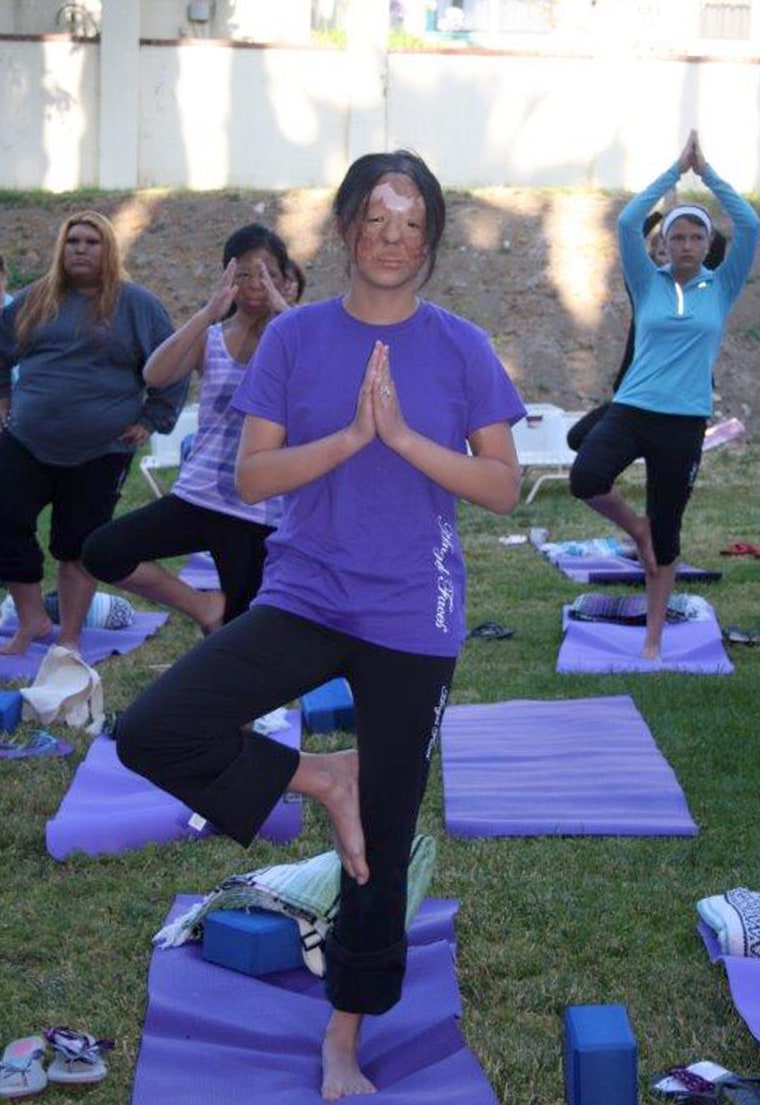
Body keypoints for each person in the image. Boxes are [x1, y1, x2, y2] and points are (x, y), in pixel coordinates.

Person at [115, 149, 525, 1100]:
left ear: (430, 237)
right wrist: (345, 439)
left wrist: (406, 441)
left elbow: (502, 486)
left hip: (412, 615)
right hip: (304, 594)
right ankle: (318, 776)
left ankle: (344, 1035)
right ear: (344, 229)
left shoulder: (460, 344)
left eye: (412, 221)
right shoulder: (295, 339)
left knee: (380, 839)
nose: (393, 238)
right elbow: (253, 477)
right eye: (375, 220)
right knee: (152, 728)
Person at [569, 130, 760, 660]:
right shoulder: (646, 281)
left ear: (707, 246)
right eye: (678, 238)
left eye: (696, 238)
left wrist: (709, 174)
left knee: (670, 537)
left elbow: (751, 224)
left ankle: (653, 638)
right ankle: (637, 527)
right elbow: (629, 221)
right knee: (585, 477)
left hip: (684, 421)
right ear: (666, 245)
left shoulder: (719, 288)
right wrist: (675, 172)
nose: (686, 246)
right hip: (633, 409)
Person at [82, 224, 299, 633]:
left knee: (242, 631)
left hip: (259, 508)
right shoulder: (212, 337)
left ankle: (240, 675)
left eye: (267, 272)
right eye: (244, 274)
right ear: (227, 279)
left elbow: (325, 381)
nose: (255, 283)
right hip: (198, 496)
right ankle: (202, 607)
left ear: (286, 280)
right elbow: (155, 374)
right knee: (102, 551)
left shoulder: (298, 334)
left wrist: (285, 312)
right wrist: (207, 313)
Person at [0, 211, 187, 655]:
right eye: (73, 241)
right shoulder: (33, 301)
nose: (80, 249)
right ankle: (32, 620)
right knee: (4, 521)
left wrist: (153, 417)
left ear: (109, 250)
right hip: (27, 439)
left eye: (91, 242)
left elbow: (176, 363)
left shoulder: (137, 305)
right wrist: (3, 400)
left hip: (102, 449)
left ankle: (69, 636)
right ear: (60, 249)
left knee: (78, 543)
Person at [566, 213, 727, 452]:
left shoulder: (703, 287)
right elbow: (631, 239)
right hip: (637, 393)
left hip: (680, 399)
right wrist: (657, 216)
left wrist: (687, 214)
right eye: (662, 253)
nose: (672, 255)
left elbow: (719, 244)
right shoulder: (644, 288)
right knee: (578, 437)